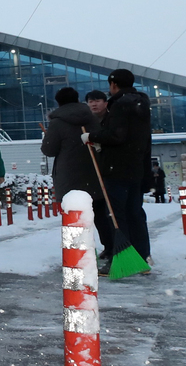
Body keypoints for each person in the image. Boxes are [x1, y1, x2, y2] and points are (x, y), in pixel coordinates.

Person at [86, 68, 152, 265]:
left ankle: (122, 259)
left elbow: (116, 135)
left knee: (116, 215)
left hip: (117, 168)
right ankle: (141, 255)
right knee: (135, 213)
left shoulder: (120, 105)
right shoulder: (141, 103)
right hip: (136, 167)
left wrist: (92, 137)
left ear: (113, 84)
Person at [41, 88, 98, 203]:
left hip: (68, 177)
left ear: (58, 102)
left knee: (74, 216)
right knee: (98, 214)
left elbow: (49, 150)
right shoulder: (93, 118)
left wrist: (48, 138)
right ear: (77, 99)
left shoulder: (57, 123)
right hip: (95, 173)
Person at [83, 90, 115, 257]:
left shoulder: (112, 119)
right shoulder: (87, 122)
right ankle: (108, 246)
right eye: (90, 101)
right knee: (99, 214)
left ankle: (117, 246)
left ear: (105, 102)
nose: (93, 104)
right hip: (93, 172)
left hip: (111, 170)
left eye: (97, 101)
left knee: (111, 213)